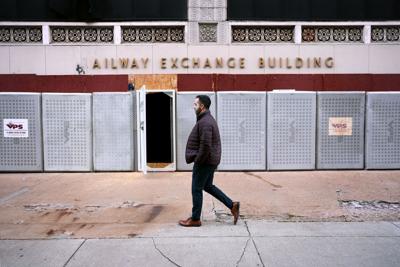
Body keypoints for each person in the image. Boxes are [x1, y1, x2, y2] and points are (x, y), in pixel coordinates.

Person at [179, 95, 240, 227]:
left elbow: (205, 145)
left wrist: (198, 161)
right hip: (210, 160)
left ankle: (195, 219)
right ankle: (232, 205)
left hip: (205, 161)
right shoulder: (205, 119)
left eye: (195, 104)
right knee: (207, 186)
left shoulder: (205, 122)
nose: (193, 106)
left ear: (202, 106)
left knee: (196, 189)